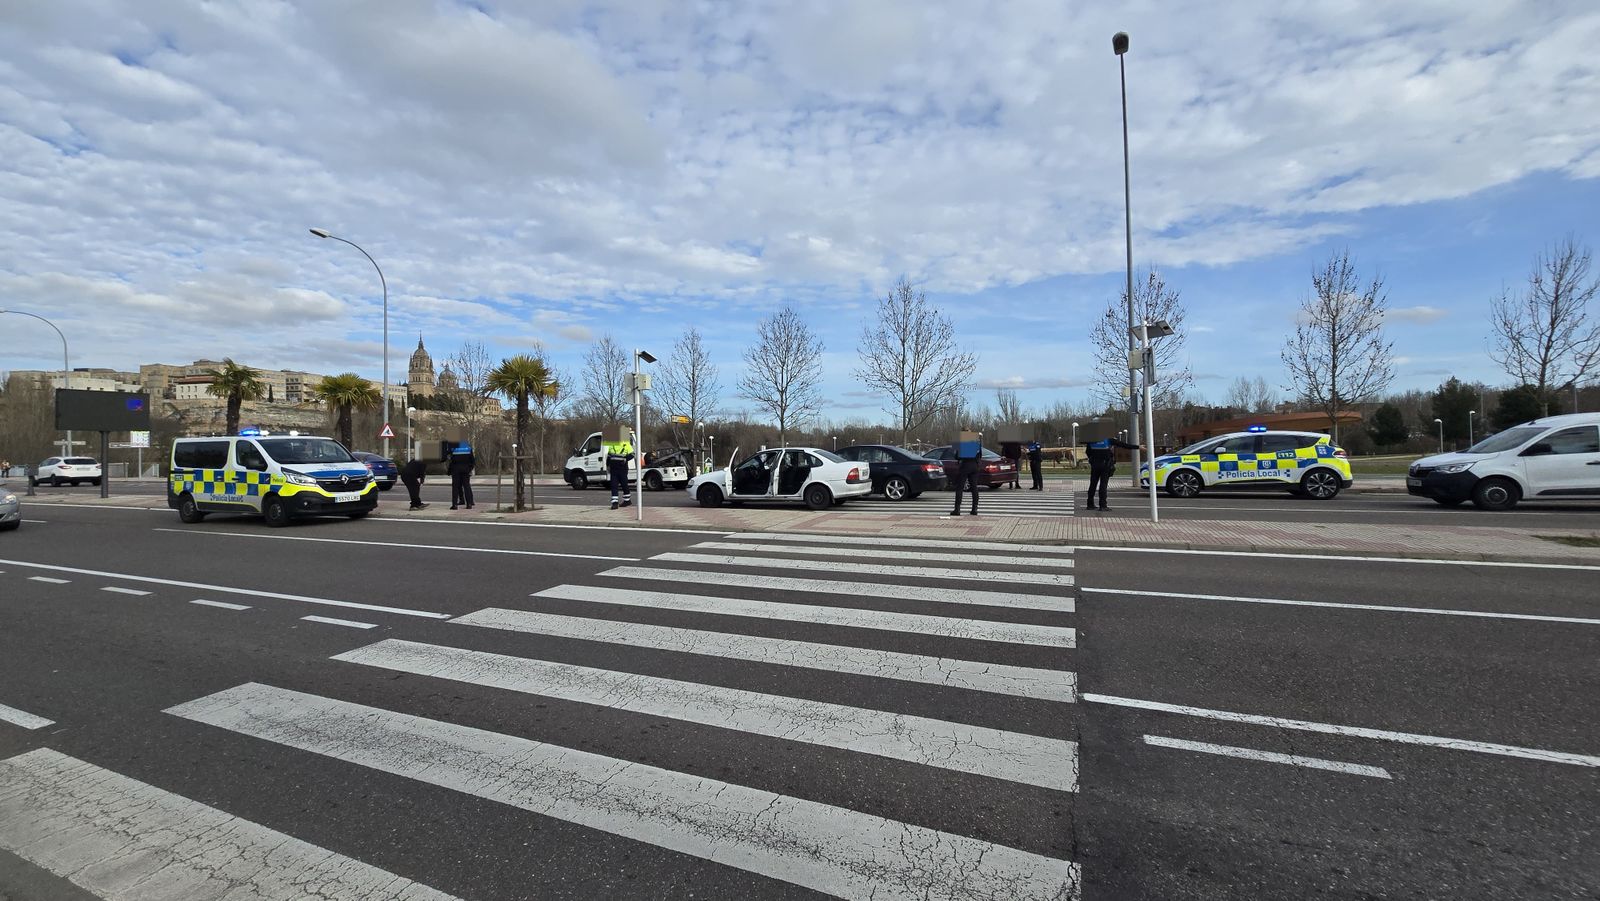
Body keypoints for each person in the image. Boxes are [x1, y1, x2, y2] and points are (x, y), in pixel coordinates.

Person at [1084, 435, 1144, 511]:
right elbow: (1124, 445)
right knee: (1103, 485)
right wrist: (1138, 447)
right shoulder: (1108, 440)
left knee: (1092, 484)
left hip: (1095, 465)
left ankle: (1090, 504)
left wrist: (1093, 459)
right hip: (1105, 465)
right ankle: (1103, 505)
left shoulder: (1092, 440)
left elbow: (1087, 452)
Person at [948, 438, 982, 518]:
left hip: (965, 466)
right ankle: (974, 509)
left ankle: (957, 509)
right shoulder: (977, 444)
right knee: (974, 488)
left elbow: (957, 456)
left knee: (959, 488)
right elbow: (980, 455)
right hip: (975, 466)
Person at [607, 434, 634, 510]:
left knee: (624, 484)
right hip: (614, 468)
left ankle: (627, 500)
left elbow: (632, 454)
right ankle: (615, 503)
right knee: (614, 485)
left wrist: (625, 459)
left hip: (622, 468)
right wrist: (608, 466)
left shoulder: (625, 444)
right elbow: (609, 456)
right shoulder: (611, 444)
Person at [447, 443, 475, 510]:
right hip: (466, 469)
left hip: (455, 470)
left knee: (455, 487)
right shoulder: (468, 447)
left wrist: (449, 470)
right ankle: (469, 504)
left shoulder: (453, 447)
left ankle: (455, 505)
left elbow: (449, 458)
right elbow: (472, 460)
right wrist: (469, 468)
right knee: (466, 486)